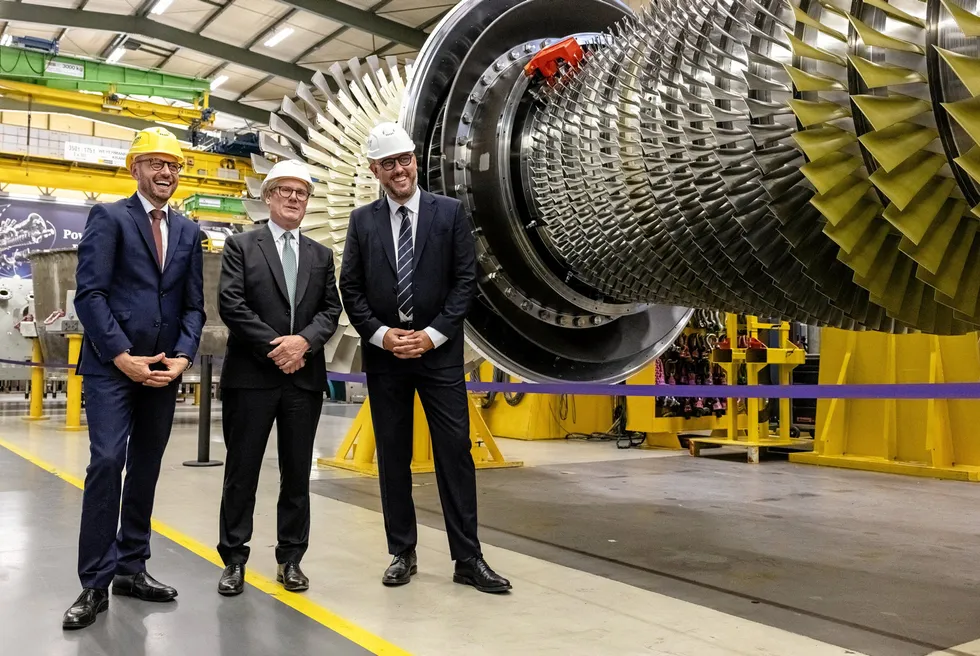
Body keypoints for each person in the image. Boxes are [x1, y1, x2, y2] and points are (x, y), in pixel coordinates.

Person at [339, 122, 511, 594]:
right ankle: (402, 552)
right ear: (375, 170)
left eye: (405, 160)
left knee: (454, 452)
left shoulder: (450, 213)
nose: (400, 170)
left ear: (415, 160)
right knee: (392, 455)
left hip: (438, 357)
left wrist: (432, 335)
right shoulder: (363, 221)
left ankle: (468, 558)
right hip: (387, 357)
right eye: (389, 163)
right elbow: (350, 288)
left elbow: (464, 283)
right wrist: (380, 335)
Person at [64, 127, 206, 629]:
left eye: (173, 165)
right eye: (155, 163)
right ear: (135, 169)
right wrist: (122, 355)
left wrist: (183, 358)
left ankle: (131, 567)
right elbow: (90, 295)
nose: (166, 172)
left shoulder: (188, 230)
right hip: (113, 370)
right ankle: (93, 582)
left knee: (145, 466)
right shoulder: (110, 218)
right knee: (107, 462)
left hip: (163, 371)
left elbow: (193, 306)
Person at [215, 159, 342, 596]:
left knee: (296, 473)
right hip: (252, 378)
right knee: (242, 471)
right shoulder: (241, 246)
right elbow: (232, 305)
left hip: (302, 381)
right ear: (268, 196)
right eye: (285, 190)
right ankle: (233, 558)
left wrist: (302, 344)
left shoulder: (320, 255)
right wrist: (280, 348)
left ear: (307, 202)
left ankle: (291, 558)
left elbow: (331, 310)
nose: (293, 198)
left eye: (301, 192)